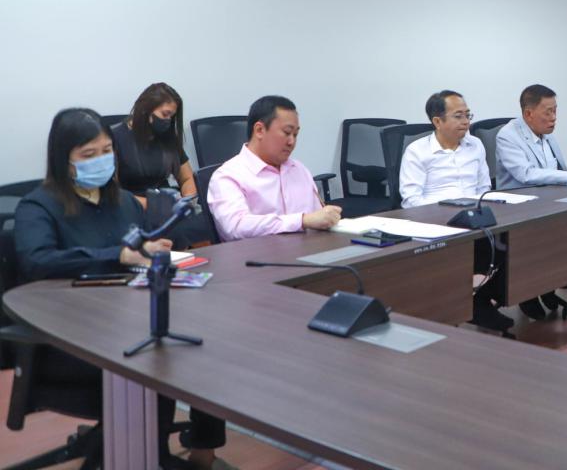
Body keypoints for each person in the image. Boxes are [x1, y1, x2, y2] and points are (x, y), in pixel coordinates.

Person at [14, 108, 228, 469]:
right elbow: (38, 261)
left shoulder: (123, 202)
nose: (101, 160)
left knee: (206, 347)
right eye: (89, 154)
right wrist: (118, 255)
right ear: (63, 159)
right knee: (160, 362)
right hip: (71, 337)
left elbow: (135, 248)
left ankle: (201, 452)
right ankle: (147, 458)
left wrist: (149, 250)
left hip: (129, 320)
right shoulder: (38, 206)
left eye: (106, 151)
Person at [400, 90, 511, 332]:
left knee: (510, 238)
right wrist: (446, 211)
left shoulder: (476, 145)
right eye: (458, 116)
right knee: (479, 245)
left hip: (473, 217)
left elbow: (484, 187)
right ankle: (469, 305)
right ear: (437, 121)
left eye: (468, 115)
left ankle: (483, 300)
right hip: (435, 221)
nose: (465, 121)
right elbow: (410, 200)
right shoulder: (417, 151)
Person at [494, 83, 567, 319]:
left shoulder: (546, 135)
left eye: (555, 111)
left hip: (550, 200)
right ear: (528, 113)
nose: (554, 118)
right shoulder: (508, 136)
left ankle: (548, 285)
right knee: (546, 237)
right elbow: (526, 174)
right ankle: (528, 294)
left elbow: (558, 169)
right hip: (521, 207)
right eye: (548, 112)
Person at [206, 95, 341, 242]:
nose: (292, 142)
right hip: (257, 255)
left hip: (310, 251)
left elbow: (318, 218)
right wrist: (302, 221)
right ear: (259, 130)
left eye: (296, 134)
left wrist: (328, 218)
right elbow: (236, 226)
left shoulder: (299, 169)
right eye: (287, 132)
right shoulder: (227, 176)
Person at [111, 82, 211, 248]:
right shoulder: (116, 138)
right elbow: (111, 193)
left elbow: (187, 178)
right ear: (145, 110)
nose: (168, 121)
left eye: (172, 116)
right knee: (173, 230)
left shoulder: (167, 138)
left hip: (167, 203)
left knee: (203, 223)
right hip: (132, 205)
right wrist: (154, 205)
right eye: (165, 114)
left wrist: (187, 199)